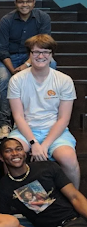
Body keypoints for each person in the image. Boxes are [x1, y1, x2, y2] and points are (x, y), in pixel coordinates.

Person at [7, 34, 80, 188]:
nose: (41, 56)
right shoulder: (17, 80)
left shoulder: (64, 80)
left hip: (54, 131)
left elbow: (63, 119)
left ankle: (75, 201)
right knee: (11, 154)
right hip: (25, 130)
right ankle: (16, 202)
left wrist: (44, 145)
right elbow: (18, 116)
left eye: (45, 52)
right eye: (36, 52)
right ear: (30, 54)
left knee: (68, 159)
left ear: (51, 55)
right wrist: (34, 142)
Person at [0, 0, 54, 139]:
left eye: (28, 2)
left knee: (52, 65)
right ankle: (4, 124)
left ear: (33, 3)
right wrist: (13, 70)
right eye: (21, 2)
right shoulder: (6, 20)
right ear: (16, 3)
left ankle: (44, 120)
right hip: (8, 60)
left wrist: (26, 65)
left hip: (34, 56)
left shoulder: (43, 18)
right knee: (4, 78)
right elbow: (2, 50)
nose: (24, 5)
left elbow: (44, 46)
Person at [0, 138, 87, 227]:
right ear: (1, 157)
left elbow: (75, 197)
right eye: (8, 151)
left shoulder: (47, 167)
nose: (15, 153)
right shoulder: (3, 187)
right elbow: (6, 220)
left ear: (24, 153)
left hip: (72, 221)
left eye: (18, 149)